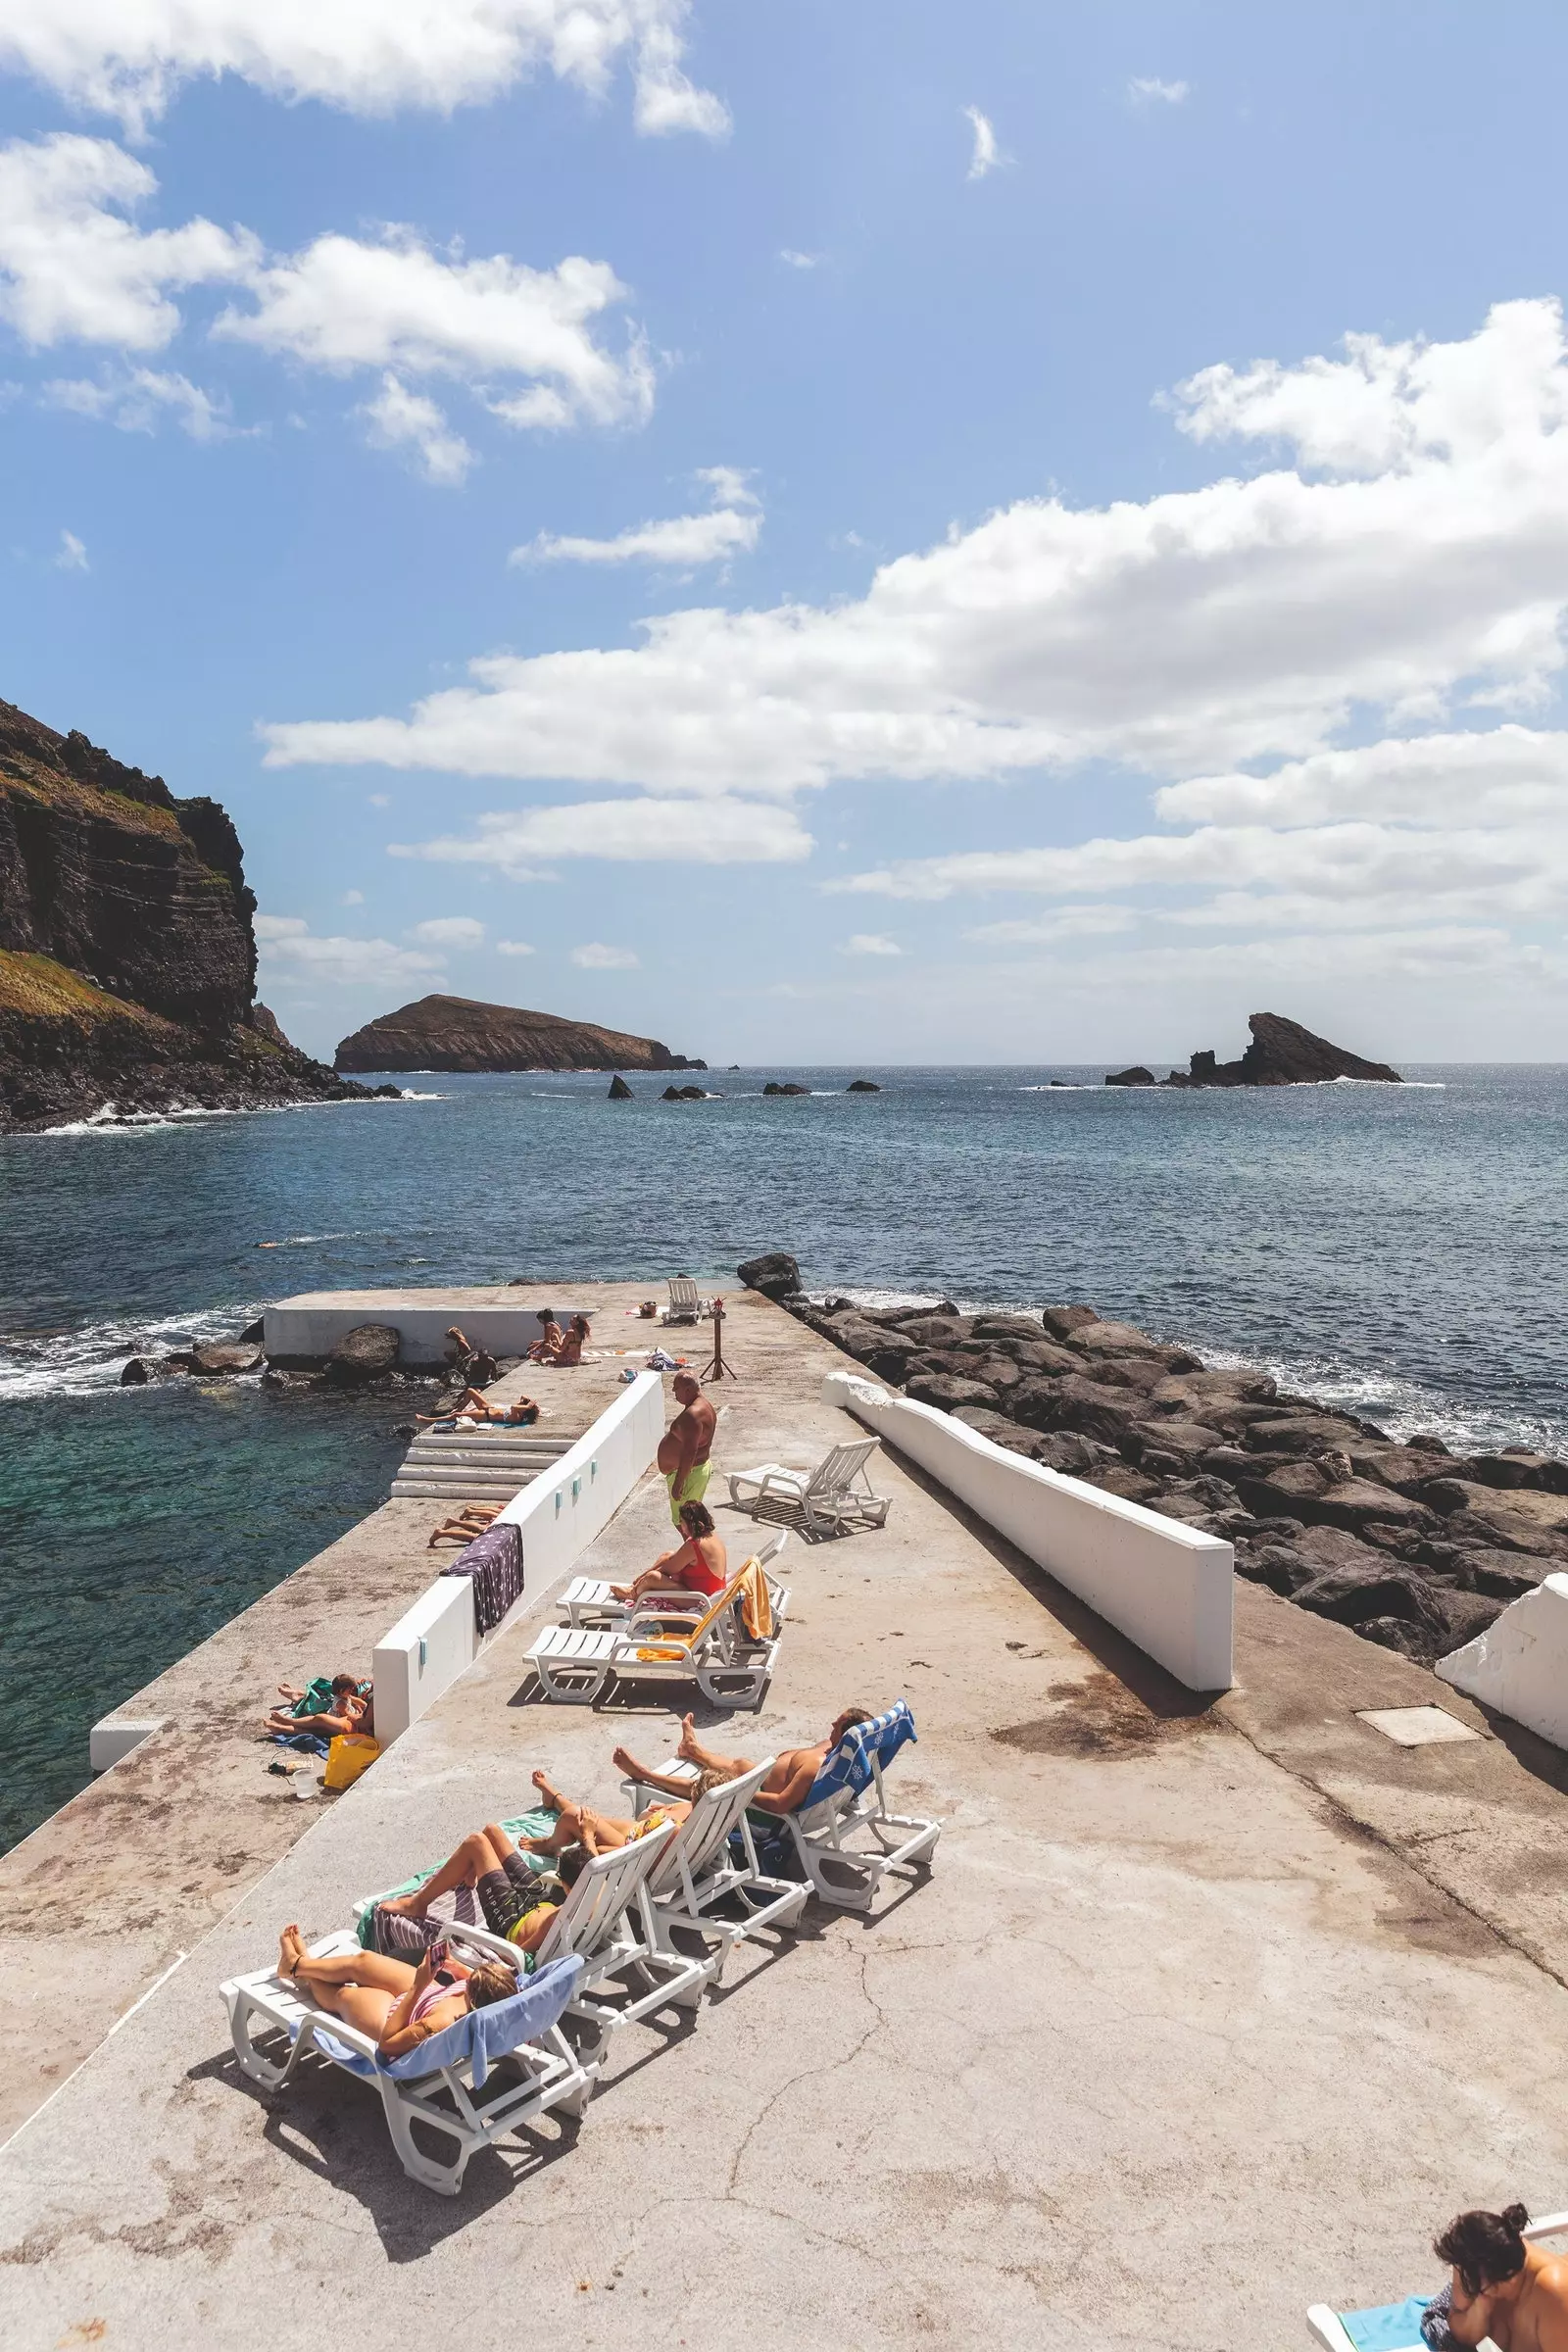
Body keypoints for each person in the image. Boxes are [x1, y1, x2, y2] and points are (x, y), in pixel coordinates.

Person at [276, 1924, 518, 2057]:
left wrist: (419, 1985)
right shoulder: (488, 1995)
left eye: (472, 1979)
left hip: (396, 2021)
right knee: (363, 1961)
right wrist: (452, 1965)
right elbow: (469, 1978)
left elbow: (388, 2045)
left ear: (475, 1999)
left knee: (343, 1996)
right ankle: (302, 1965)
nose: (469, 1975)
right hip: (427, 1998)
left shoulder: (442, 2024)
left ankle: (298, 1965)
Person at [614, 1707, 873, 1818]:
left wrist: (743, 1792)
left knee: (710, 1785)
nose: (831, 1724)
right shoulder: (839, 1756)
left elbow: (781, 1805)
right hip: (760, 1777)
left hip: (761, 1805)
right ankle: (693, 1751)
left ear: (847, 1734)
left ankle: (644, 1775)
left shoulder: (815, 1768)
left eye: (838, 1725)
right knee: (740, 1765)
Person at [377, 1823, 587, 1953]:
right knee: (492, 1831)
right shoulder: (597, 1893)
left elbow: (520, 1954)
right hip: (539, 1900)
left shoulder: (556, 1921)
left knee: (476, 1842)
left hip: (510, 1918)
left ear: (567, 1886)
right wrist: (587, 1835)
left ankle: (418, 1904)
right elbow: (593, 1864)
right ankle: (470, 1873)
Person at [1432, 2203, 1568, 2349]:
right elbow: (1456, 2325)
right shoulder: (1473, 2249)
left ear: (1508, 2280)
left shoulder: (1552, 2292)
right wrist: (1480, 2309)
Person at [609, 1499, 727, 1607]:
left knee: (652, 1577)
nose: (681, 1525)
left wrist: (644, 1579)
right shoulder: (711, 1536)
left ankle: (632, 1594)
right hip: (710, 1591)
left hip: (700, 1600)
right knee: (668, 1555)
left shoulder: (694, 1545)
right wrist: (640, 1579)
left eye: (682, 1521)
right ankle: (635, 1586)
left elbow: (667, 1570)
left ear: (690, 1523)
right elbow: (671, 1560)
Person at [657, 1370, 716, 1528]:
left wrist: (679, 1483)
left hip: (689, 1475)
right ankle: (698, 1552)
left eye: (676, 1388)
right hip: (694, 1471)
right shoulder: (704, 1405)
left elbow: (690, 1452)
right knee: (691, 1524)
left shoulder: (693, 1414)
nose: (673, 1392)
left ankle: (697, 1553)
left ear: (688, 1390)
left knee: (686, 1525)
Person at [265, 1675, 370, 1740]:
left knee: (319, 1725)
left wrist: (360, 1712)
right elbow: (356, 1705)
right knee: (321, 1703)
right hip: (351, 1717)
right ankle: (291, 1708)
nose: (352, 1690)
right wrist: (362, 1709)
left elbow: (358, 1718)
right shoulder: (343, 1699)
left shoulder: (345, 1699)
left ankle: (285, 1724)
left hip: (355, 1722)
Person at [416, 1389, 538, 1427]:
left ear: (524, 1410)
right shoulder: (519, 1411)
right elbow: (523, 1396)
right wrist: (528, 1403)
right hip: (488, 1408)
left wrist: (528, 1405)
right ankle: (458, 1408)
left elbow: (513, 1406)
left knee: (456, 1417)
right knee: (470, 1391)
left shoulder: (516, 1417)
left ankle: (428, 1420)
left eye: (524, 1406)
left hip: (485, 1416)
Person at [445, 1324, 500, 1388]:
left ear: (455, 1335)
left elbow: (468, 1349)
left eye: (452, 1335)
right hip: (466, 1358)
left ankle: (467, 1383)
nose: (451, 1337)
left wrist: (464, 1358)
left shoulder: (460, 1342)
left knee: (467, 1372)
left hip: (467, 1359)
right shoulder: (459, 1340)